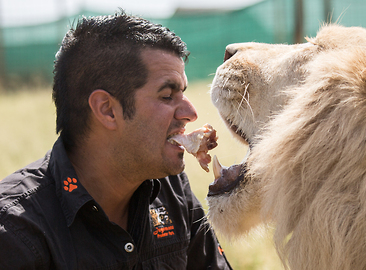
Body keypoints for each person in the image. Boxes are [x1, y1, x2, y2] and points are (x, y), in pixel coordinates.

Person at [0, 11, 232, 269]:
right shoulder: (15, 231)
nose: (191, 113)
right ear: (107, 109)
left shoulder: (172, 190)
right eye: (167, 95)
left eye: (183, 93)